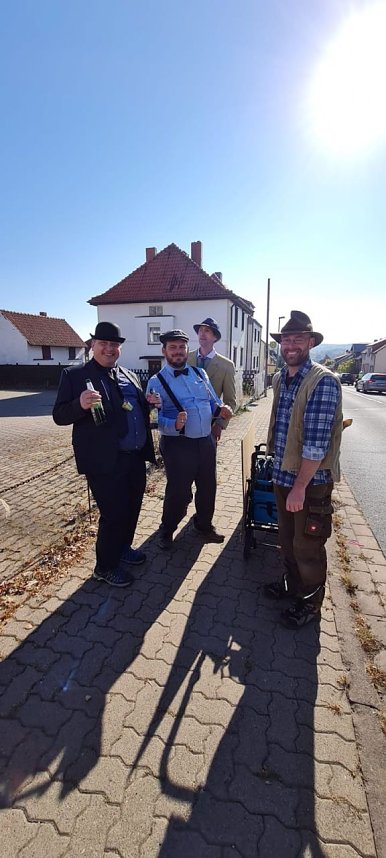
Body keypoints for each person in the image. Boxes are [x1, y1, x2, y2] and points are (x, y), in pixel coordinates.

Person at [53, 321, 155, 587]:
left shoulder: (129, 375)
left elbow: (135, 409)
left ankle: (122, 548)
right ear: (93, 345)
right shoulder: (75, 375)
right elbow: (59, 415)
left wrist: (149, 404)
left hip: (135, 457)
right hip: (104, 461)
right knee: (114, 514)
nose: (109, 349)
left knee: (132, 508)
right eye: (103, 344)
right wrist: (79, 404)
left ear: (120, 348)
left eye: (114, 344)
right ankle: (104, 567)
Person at [265, 310, 343, 628]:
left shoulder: (322, 382)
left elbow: (315, 446)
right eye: (286, 339)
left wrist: (299, 487)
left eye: (298, 339)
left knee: (307, 546)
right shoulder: (280, 378)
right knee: (287, 540)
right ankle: (293, 586)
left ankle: (310, 603)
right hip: (283, 476)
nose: (291, 345)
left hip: (310, 483)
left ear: (311, 342)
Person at [146, 329, 233, 549]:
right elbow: (155, 420)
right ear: (164, 351)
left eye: (181, 347)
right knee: (179, 492)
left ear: (187, 349)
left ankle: (203, 525)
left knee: (208, 487)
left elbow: (213, 402)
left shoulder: (199, 373)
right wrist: (173, 424)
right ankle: (166, 530)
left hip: (206, 441)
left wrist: (222, 410)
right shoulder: (156, 382)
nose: (178, 351)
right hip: (178, 445)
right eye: (172, 347)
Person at [187, 317, 236, 440]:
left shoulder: (226, 365)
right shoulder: (186, 359)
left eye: (207, 331)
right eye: (200, 330)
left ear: (215, 337)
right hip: (185, 424)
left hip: (210, 426)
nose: (202, 334)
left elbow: (230, 401)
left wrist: (219, 425)